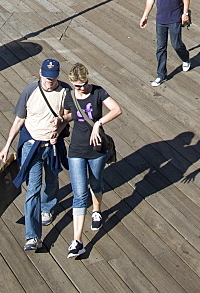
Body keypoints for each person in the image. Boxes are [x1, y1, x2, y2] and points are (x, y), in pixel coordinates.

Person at [0, 57, 69, 251]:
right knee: (32, 189)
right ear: (40, 73)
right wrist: (7, 145)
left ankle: (47, 207)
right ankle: (32, 237)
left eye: (53, 79)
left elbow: (70, 114)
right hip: (32, 147)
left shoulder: (64, 91)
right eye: (46, 78)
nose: (49, 83)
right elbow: (19, 120)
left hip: (52, 146)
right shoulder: (29, 91)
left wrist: (60, 125)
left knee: (53, 180)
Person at [61, 63, 122, 259]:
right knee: (79, 195)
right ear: (71, 83)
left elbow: (116, 109)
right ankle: (77, 241)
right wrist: (58, 124)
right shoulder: (69, 96)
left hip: (97, 149)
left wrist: (98, 123)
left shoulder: (97, 92)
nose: (82, 88)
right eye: (78, 86)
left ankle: (97, 210)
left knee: (96, 183)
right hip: (76, 150)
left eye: (84, 84)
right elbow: (67, 115)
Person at [139, 0, 191, 86]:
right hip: (160, 19)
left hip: (175, 18)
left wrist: (185, 13)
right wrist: (145, 16)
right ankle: (161, 74)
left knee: (176, 44)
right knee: (160, 47)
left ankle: (185, 58)